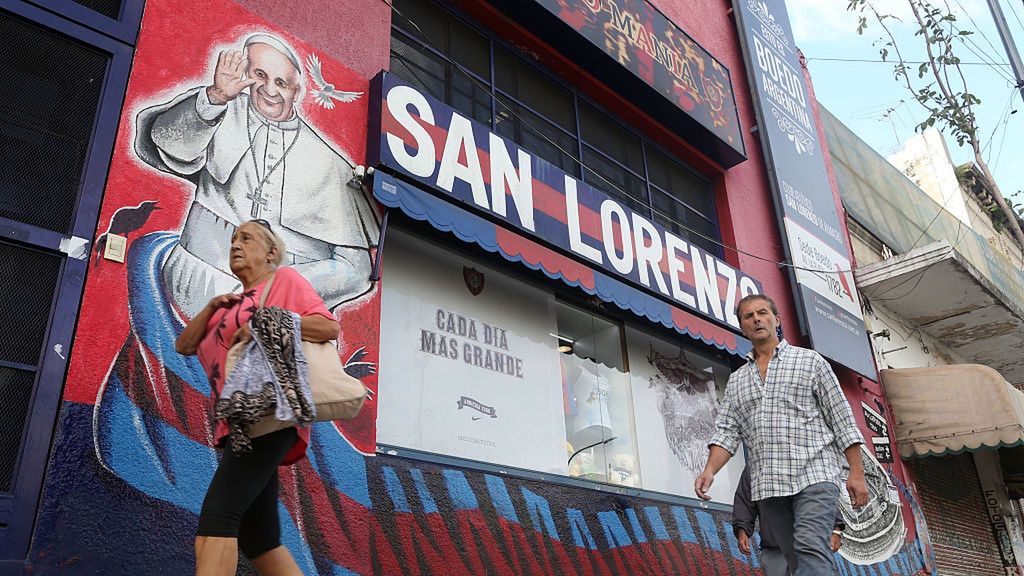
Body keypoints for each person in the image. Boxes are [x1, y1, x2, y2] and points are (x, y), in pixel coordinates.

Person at [135, 33, 380, 317]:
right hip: (186, 287)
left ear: (297, 91)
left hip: (271, 315)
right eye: (260, 75)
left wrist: (276, 288)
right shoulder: (218, 109)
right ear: (246, 72)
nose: (269, 90)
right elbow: (167, 144)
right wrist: (214, 98)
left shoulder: (330, 163)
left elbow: (357, 270)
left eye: (282, 83)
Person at [175, 219, 339, 576]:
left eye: (247, 238)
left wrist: (269, 321)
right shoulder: (229, 303)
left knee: (217, 519)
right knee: (259, 539)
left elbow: (328, 326)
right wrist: (211, 307)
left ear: (272, 253)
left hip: (269, 415)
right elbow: (184, 345)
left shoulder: (284, 282)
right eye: (233, 238)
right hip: (238, 422)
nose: (236, 243)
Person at [694, 293, 868, 576]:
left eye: (762, 312)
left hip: (814, 474)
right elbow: (726, 431)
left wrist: (856, 473)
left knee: (811, 548)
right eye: (748, 316)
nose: (757, 319)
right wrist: (709, 470)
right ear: (742, 327)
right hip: (769, 486)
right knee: (797, 560)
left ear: (777, 319)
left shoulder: (810, 362)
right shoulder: (738, 380)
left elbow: (842, 418)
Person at [733, 465, 845, 576]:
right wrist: (742, 531)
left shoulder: (806, 457)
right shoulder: (755, 465)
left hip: (811, 546)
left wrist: (836, 529)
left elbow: (823, 494)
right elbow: (745, 500)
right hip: (774, 547)